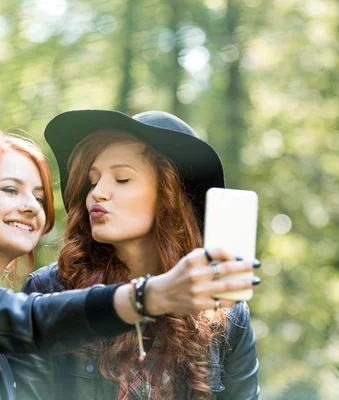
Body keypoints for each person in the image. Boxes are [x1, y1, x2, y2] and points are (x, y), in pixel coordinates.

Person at [0, 126, 255, 400]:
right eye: (10, 189)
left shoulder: (226, 315)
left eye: (39, 197)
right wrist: (150, 296)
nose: (31, 207)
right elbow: (30, 320)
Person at [20, 110, 261, 400]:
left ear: (168, 196)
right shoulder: (48, 292)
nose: (98, 193)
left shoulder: (226, 313)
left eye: (121, 179)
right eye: (92, 181)